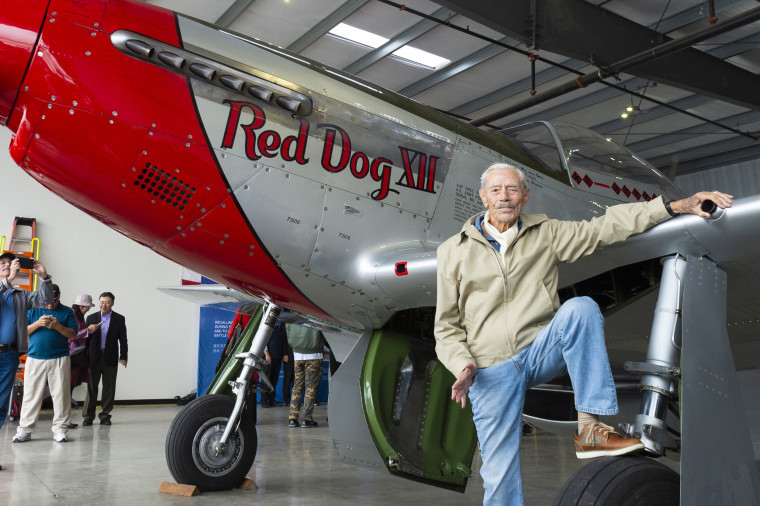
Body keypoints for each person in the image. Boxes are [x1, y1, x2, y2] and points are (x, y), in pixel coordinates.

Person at [434, 163, 733, 505]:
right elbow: (446, 326)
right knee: (498, 479)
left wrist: (673, 205)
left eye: (513, 189)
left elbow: (604, 228)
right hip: (489, 371)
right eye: (497, 190)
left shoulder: (546, 233)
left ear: (525, 196)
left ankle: (590, 428)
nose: (505, 196)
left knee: (582, 308)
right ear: (483, 196)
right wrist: (463, 365)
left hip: (539, 350)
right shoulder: (452, 251)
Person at [13, 284, 77, 443]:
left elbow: (73, 334)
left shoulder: (67, 311)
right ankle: (25, 430)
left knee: (61, 395)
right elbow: (21, 332)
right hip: (35, 358)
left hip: (60, 358)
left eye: (53, 301)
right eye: (46, 301)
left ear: (59, 296)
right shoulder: (32, 309)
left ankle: (60, 429)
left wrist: (57, 326)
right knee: (31, 395)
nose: (49, 305)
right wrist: (38, 324)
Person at [0, 253, 54, 437]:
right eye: (3, 263)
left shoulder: (20, 294)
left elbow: (44, 300)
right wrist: (9, 279)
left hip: (9, 355)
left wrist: (44, 277)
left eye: (10, 262)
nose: (7, 265)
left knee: (1, 403)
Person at [82, 292, 127, 426]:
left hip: (110, 357)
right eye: (102, 302)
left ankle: (105, 415)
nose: (104, 305)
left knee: (109, 388)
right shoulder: (91, 318)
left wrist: (123, 356)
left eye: (107, 302)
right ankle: (88, 416)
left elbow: (123, 339)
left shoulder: (119, 319)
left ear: (112, 303)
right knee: (91, 387)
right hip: (93, 357)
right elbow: (85, 339)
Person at [285, 323, 326, 428]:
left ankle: (292, 418)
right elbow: (324, 332)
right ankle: (307, 419)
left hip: (297, 354)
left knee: (297, 385)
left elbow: (288, 331)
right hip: (314, 354)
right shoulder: (313, 313)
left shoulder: (294, 314)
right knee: (310, 387)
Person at [68, 294, 99, 425]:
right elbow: (72, 336)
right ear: (81, 306)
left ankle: (66, 420)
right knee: (67, 389)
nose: (88, 310)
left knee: (71, 388)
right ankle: (64, 421)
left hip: (78, 356)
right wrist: (89, 330)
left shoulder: (79, 316)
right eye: (87, 307)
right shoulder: (73, 316)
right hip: (72, 356)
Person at [261, 322, 288, 408]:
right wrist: (266, 354)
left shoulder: (279, 327)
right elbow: (262, 341)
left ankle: (272, 400)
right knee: (266, 379)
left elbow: (282, 342)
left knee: (274, 380)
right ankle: (264, 400)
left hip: (277, 357)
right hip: (268, 357)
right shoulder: (266, 325)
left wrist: (283, 355)